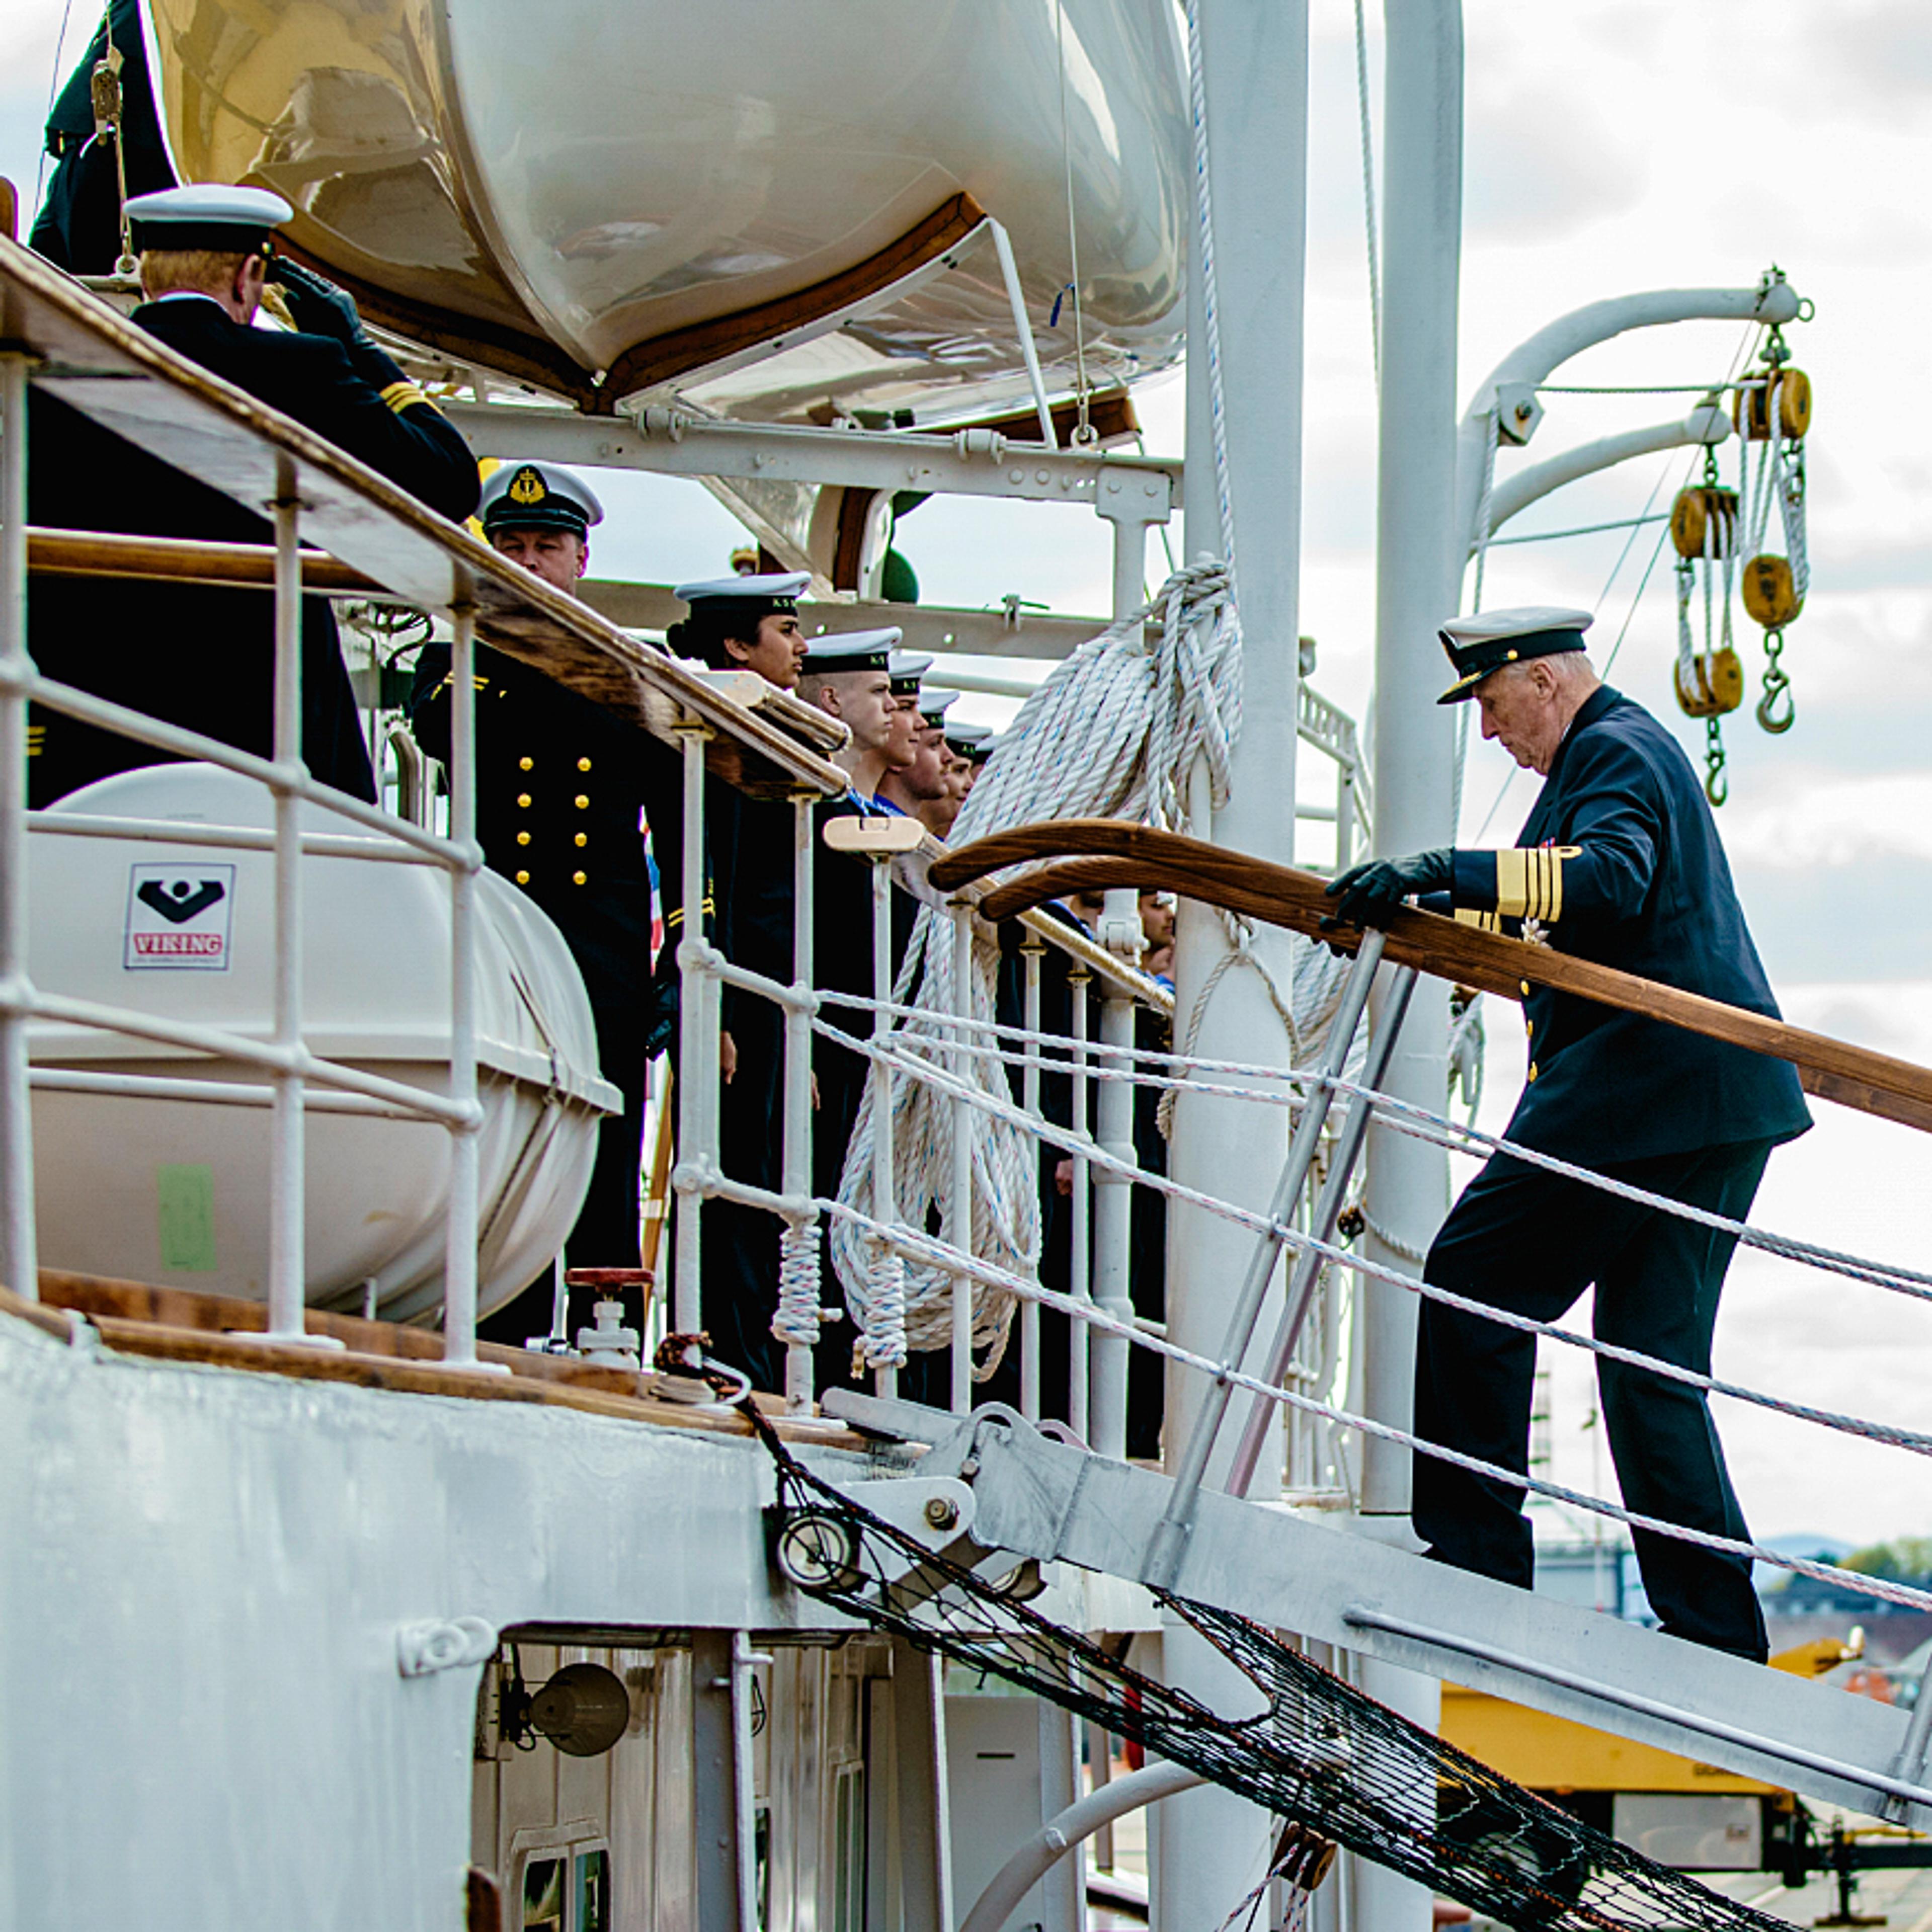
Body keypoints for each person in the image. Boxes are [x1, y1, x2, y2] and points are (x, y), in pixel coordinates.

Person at [1323, 605, 1811, 1660]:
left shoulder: (1615, 751)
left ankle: (1478, 1563)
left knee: (1470, 1283)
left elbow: (1609, 877)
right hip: (1712, 1101)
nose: (1492, 732)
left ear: (1544, 681)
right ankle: (1715, 1631)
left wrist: (1436, 869)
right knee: (1648, 1363)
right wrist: (1438, 914)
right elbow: (1573, 905)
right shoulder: (1616, 757)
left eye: (1495, 706)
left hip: (1643, 1093)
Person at [27, 185, 479, 807]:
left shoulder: (57, 376)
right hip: (261, 741)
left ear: (146, 274)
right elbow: (448, 480)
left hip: (94, 744)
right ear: (248, 278)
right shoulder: (302, 368)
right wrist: (358, 347)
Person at [411, 461, 680, 1344]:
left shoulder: (632, 668)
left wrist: (681, 952)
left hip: (598, 945)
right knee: (496, 1127)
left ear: (581, 557)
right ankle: (496, 1324)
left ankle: (608, 1334)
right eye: (512, 546)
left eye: (546, 548)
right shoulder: (460, 651)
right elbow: (434, 724)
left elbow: (679, 829)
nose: (529, 563)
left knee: (604, 1139)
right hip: (496, 933)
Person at [661, 572, 815, 1392]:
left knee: (757, 1181)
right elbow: (701, 864)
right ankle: (720, 1347)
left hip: (766, 995)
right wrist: (706, 1002)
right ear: (734, 644)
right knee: (727, 1180)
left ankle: (749, 1350)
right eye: (784, 629)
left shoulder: (765, 732)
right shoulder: (717, 729)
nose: (799, 646)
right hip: (731, 987)